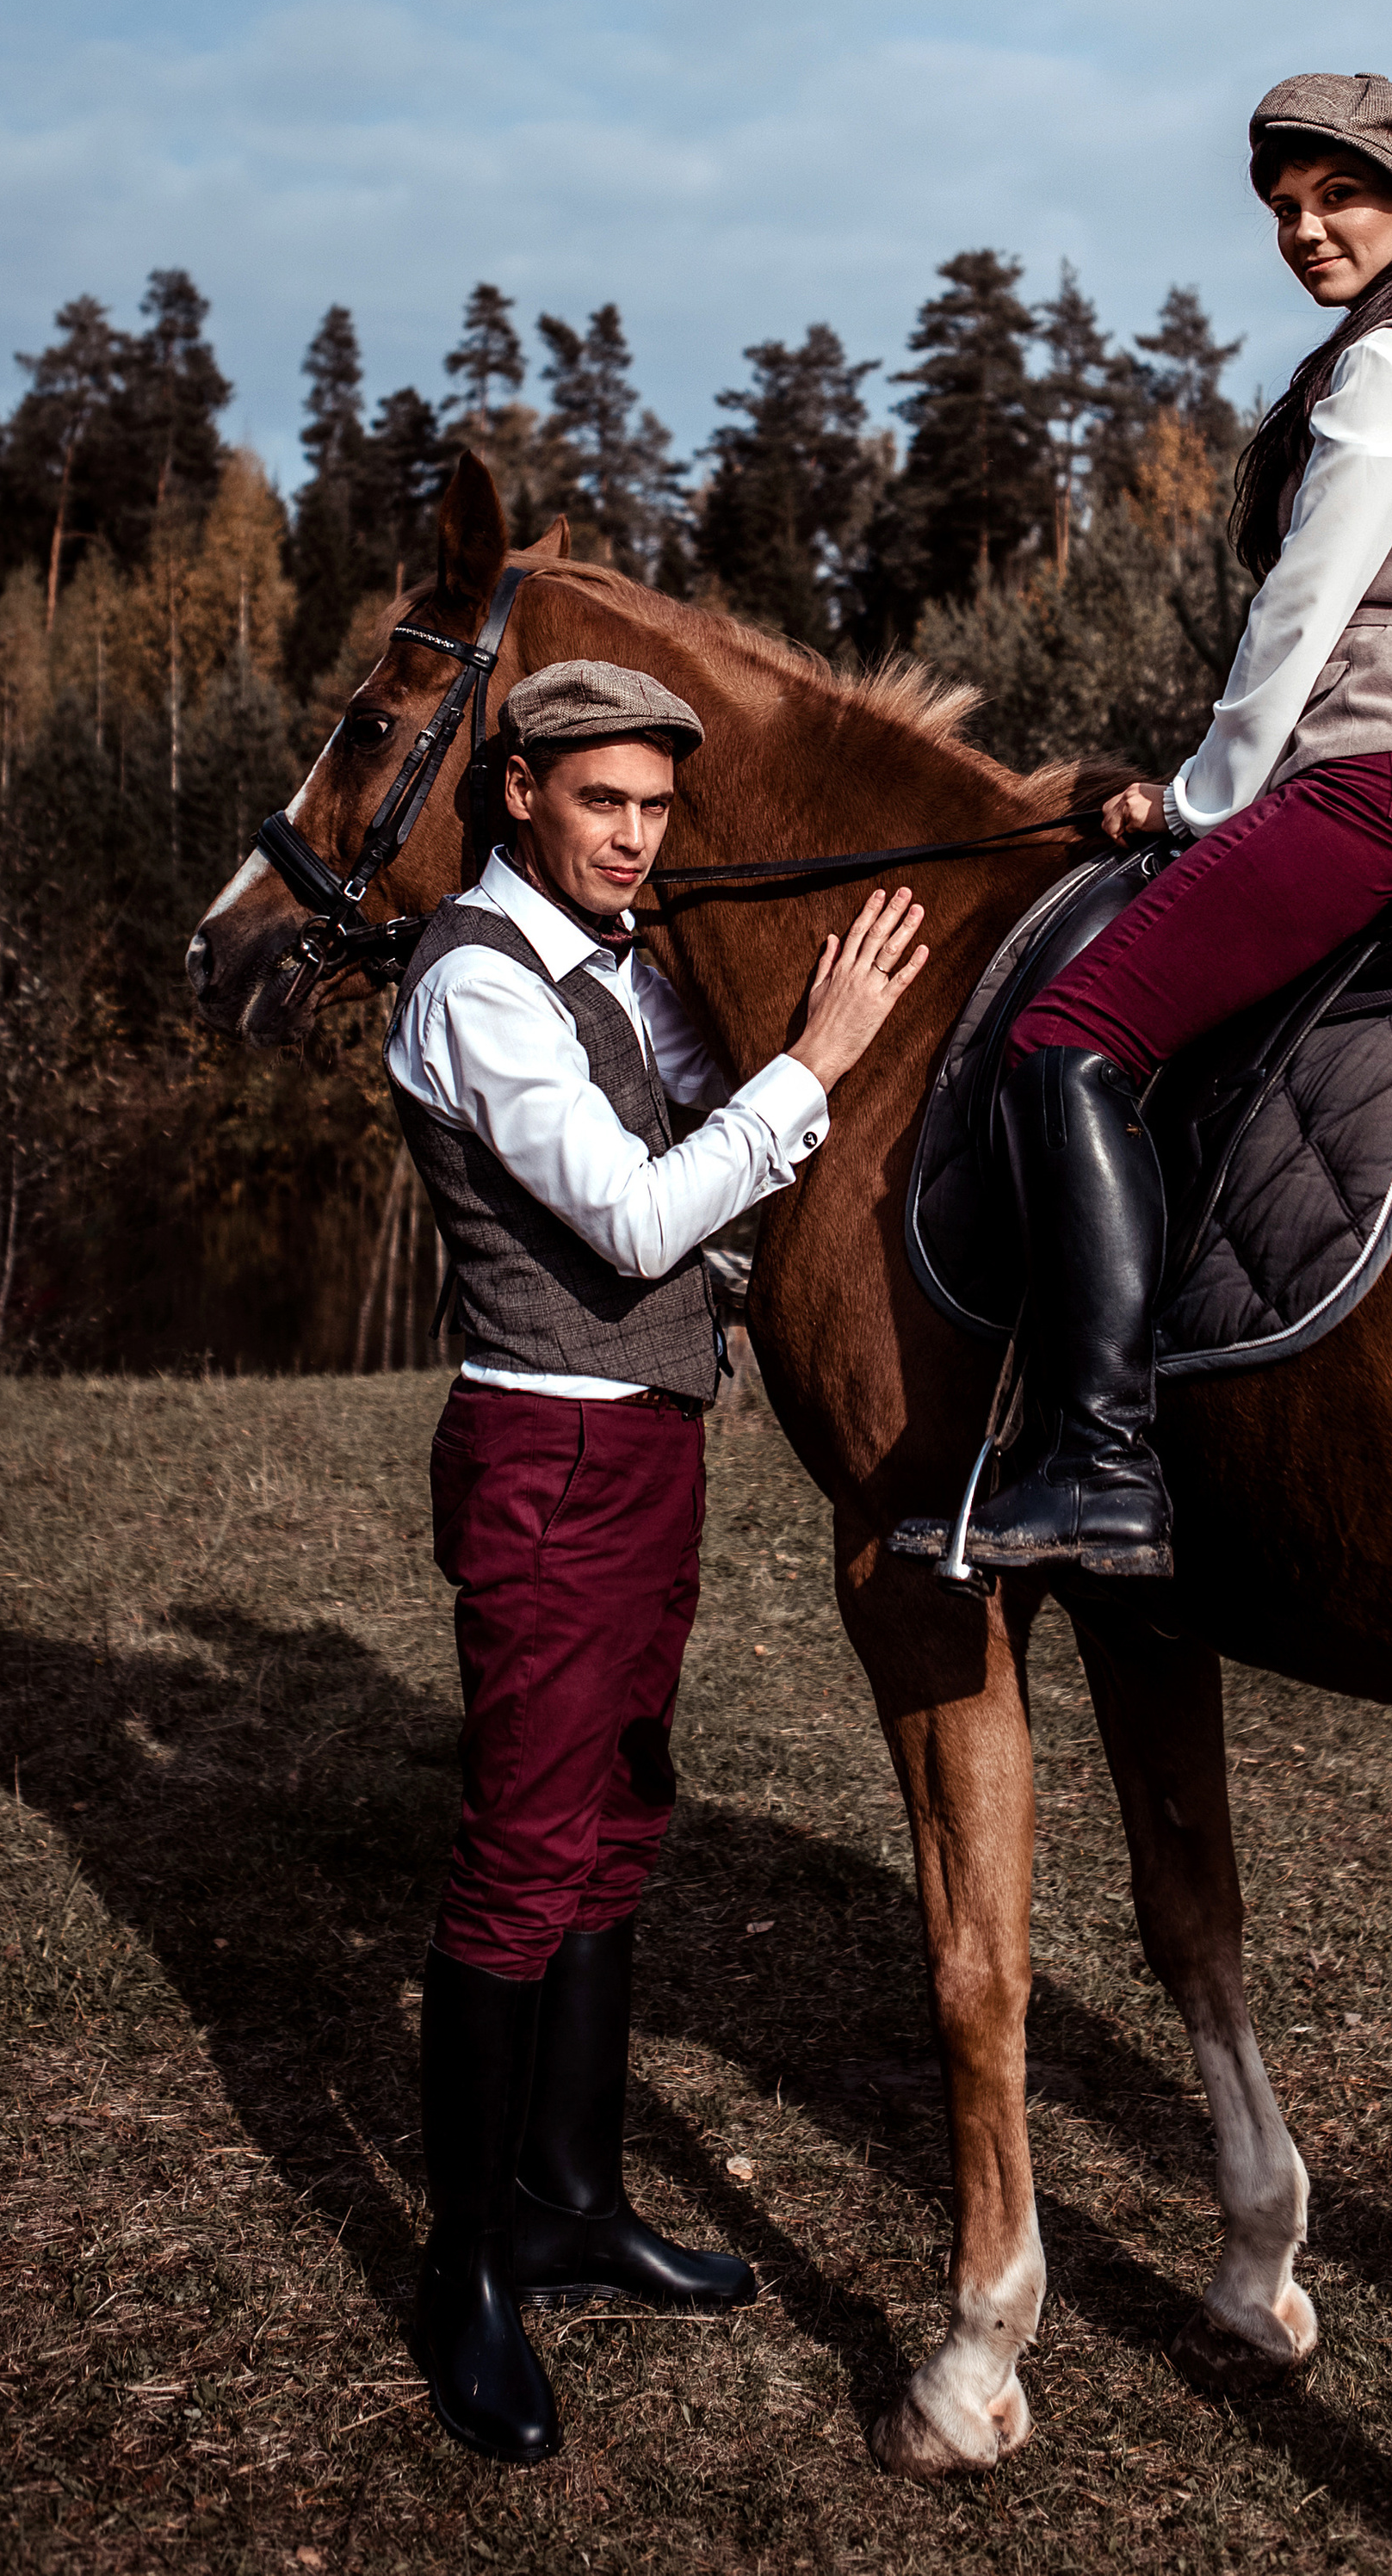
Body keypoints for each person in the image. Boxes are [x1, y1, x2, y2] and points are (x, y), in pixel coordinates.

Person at [384, 656, 928, 2465]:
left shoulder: (613, 973)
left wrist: (806, 1055)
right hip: (543, 1449)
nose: (636, 837)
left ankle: (568, 2197)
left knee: (618, 1813)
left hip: (641, 1445)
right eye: (603, 801)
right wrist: (813, 1064)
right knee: (521, 1844)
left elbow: (731, 1132)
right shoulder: (474, 982)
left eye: (654, 807)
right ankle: (465, 2267)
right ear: (520, 791)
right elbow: (635, 1213)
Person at [946, 70, 1392, 1580]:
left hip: (1378, 770)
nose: (1305, 229)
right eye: (1286, 208)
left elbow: (1308, 608)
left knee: (1064, 1038)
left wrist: (1208, 793)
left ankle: (1096, 1458)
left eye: (1339, 196)